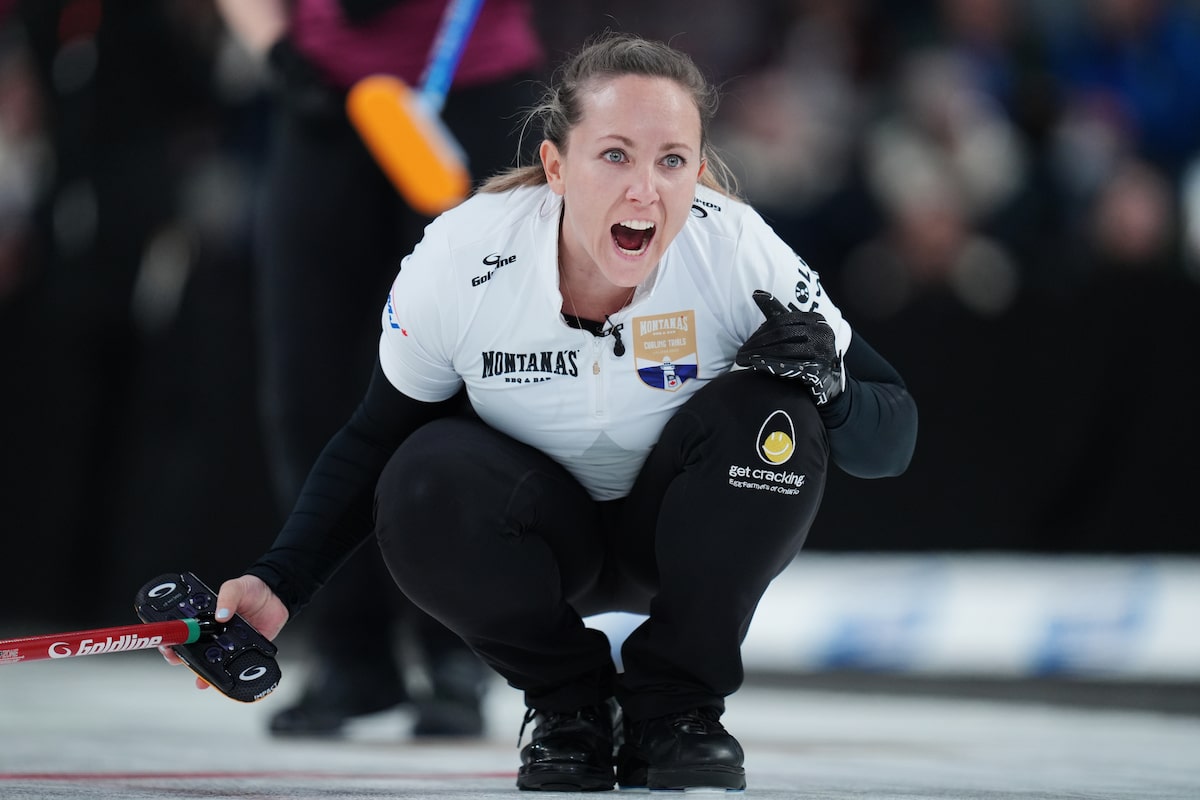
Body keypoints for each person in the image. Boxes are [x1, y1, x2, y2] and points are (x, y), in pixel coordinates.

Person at [163, 32, 918, 792]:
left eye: (672, 161)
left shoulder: (737, 251)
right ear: (557, 166)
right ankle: (569, 706)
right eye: (615, 155)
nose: (645, 191)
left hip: (682, 536)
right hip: (543, 543)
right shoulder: (463, 259)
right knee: (419, 475)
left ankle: (679, 709)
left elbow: (891, 437)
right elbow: (371, 441)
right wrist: (279, 582)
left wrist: (835, 391)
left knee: (776, 411)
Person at [213, 0, 544, 738]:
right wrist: (276, 50)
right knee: (308, 381)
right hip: (326, 97)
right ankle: (350, 654)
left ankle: (460, 646)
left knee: (471, 376)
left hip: (475, 89)